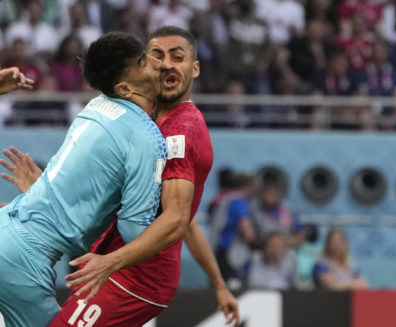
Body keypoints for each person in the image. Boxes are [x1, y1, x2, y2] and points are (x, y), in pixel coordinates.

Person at [2, 27, 239, 326]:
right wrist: (43, 195)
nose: (164, 64)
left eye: (176, 57)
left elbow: (177, 219)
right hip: (101, 264)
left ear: (195, 67)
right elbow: (174, 216)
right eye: (153, 57)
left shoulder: (175, 131)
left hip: (133, 274)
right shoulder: (138, 120)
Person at [0, 31, 171, 327]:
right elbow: (133, 232)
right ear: (125, 88)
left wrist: (41, 191)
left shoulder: (95, 106)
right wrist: (174, 223)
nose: (157, 64)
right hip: (22, 260)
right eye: (144, 63)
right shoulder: (146, 138)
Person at [209, 173, 257, 284]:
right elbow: (245, 225)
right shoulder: (239, 201)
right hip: (229, 251)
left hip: (216, 247)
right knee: (233, 283)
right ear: (248, 187)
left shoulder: (224, 199)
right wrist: (255, 242)